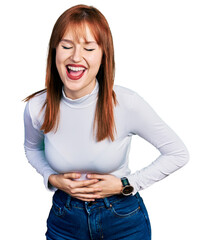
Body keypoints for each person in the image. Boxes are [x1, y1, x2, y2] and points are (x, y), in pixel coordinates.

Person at [23, 4, 189, 240]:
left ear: (103, 56)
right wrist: (51, 177)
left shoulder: (126, 103)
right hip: (64, 220)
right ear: (54, 51)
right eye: (67, 46)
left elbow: (177, 153)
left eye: (88, 48)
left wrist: (126, 184)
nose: (76, 57)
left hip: (123, 220)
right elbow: (32, 148)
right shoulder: (38, 106)